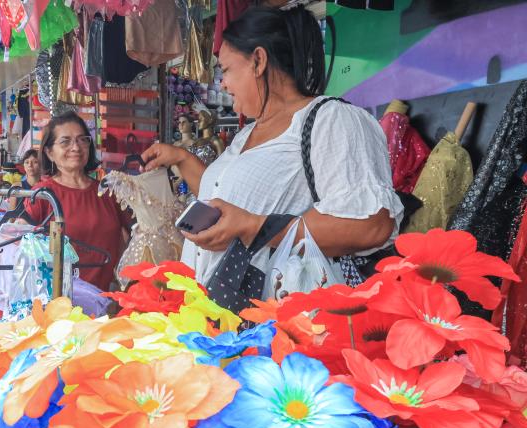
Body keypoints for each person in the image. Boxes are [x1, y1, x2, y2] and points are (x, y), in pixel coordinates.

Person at [142, 5, 403, 286]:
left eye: (227, 70)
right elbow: (224, 195)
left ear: (258, 61)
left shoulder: (331, 120)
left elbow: (373, 225)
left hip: (273, 321)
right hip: (210, 318)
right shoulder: (247, 134)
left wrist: (254, 227)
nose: (224, 84)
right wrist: (181, 158)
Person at [25, 112, 133, 291]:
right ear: (49, 152)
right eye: (65, 141)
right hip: (60, 304)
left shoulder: (108, 192)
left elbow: (135, 237)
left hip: (107, 301)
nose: (76, 147)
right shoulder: (44, 195)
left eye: (82, 140)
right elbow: (20, 240)